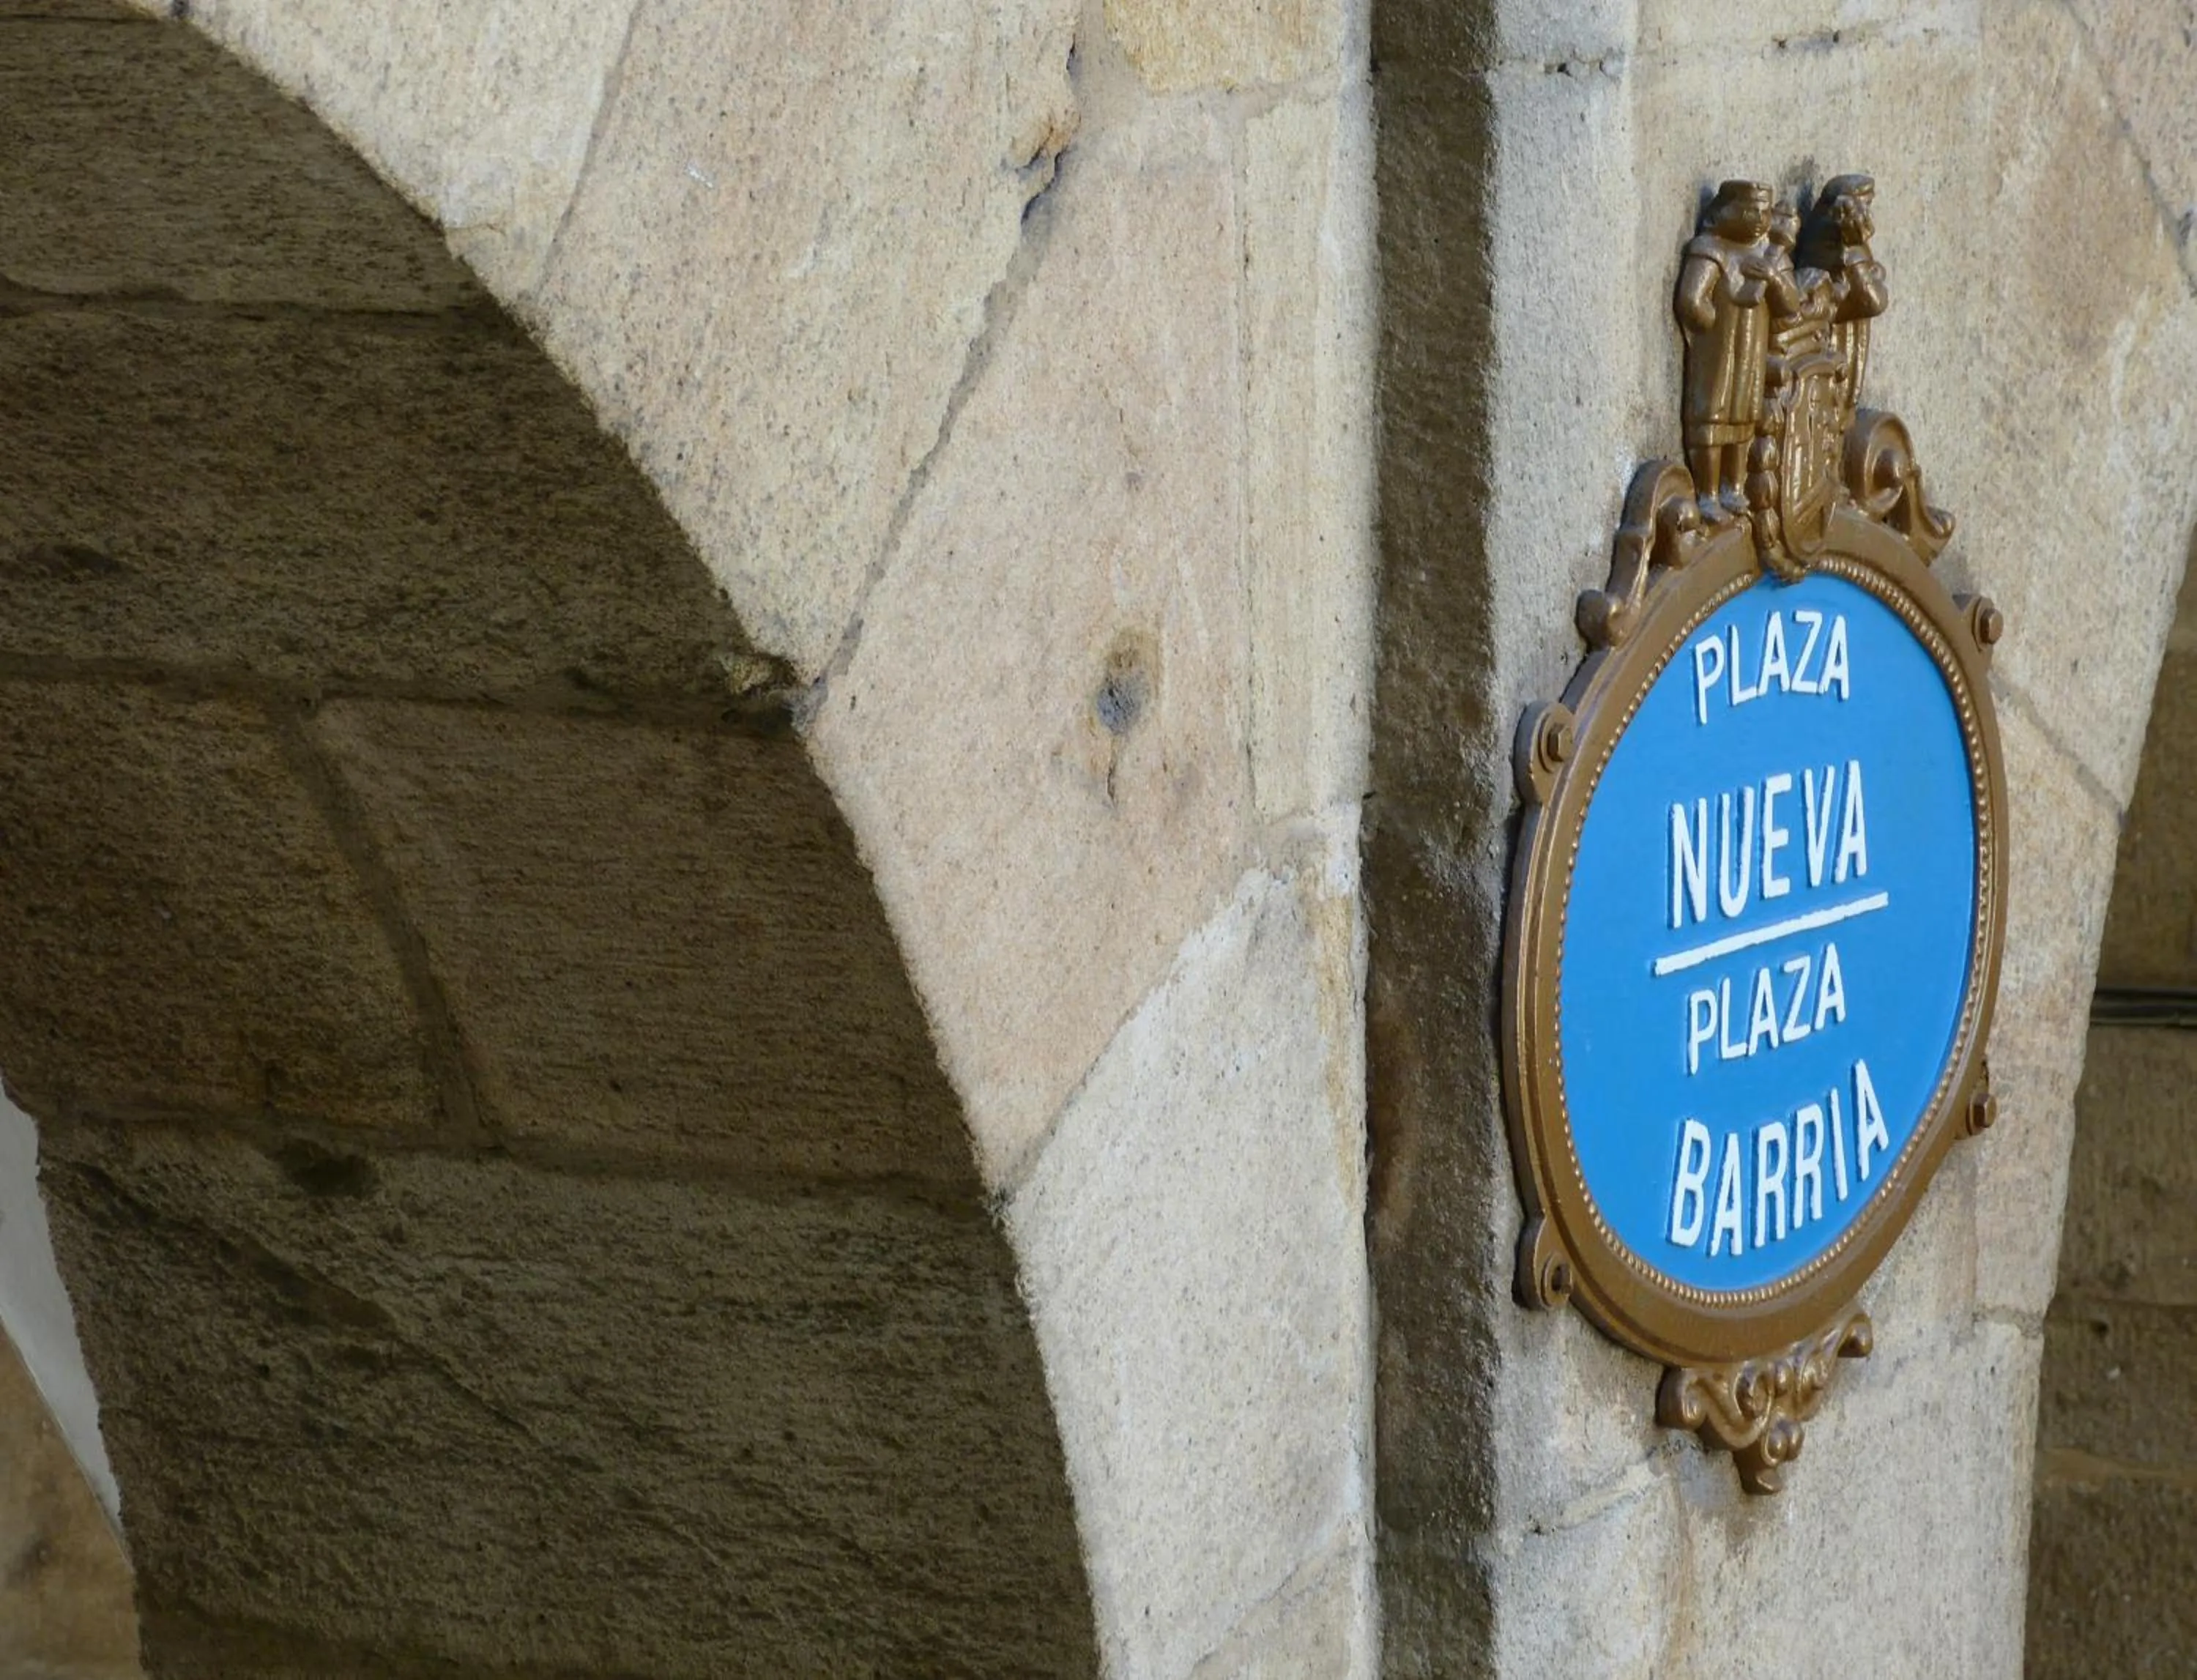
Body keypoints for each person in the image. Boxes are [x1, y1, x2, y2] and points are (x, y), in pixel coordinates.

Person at [1675, 181, 1776, 523]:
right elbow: (1692, 300)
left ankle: (1734, 487)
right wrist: (1715, 321)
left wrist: (1773, 278)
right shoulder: (1711, 250)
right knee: (1713, 417)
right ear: (1725, 211)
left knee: (1744, 418)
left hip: (1750, 354)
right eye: (1750, 211)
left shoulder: (1764, 256)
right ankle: (1708, 493)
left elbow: (1789, 306)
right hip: (1719, 351)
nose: (1760, 220)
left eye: (1765, 212)